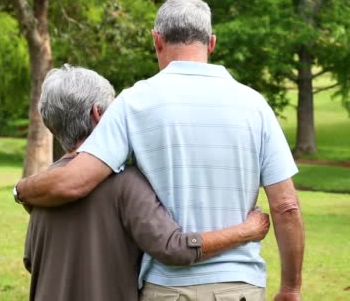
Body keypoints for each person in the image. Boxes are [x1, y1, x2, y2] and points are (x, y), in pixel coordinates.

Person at [15, 0, 305, 301]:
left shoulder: (134, 102)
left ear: (157, 40)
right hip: (239, 285)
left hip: (167, 289)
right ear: (212, 43)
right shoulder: (255, 106)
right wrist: (290, 288)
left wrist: (22, 191)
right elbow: (286, 206)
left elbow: (76, 179)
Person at [23, 65, 271, 301]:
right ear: (98, 114)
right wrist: (246, 231)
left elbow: (31, 261)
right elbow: (173, 247)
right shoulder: (124, 183)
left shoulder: (42, 189)